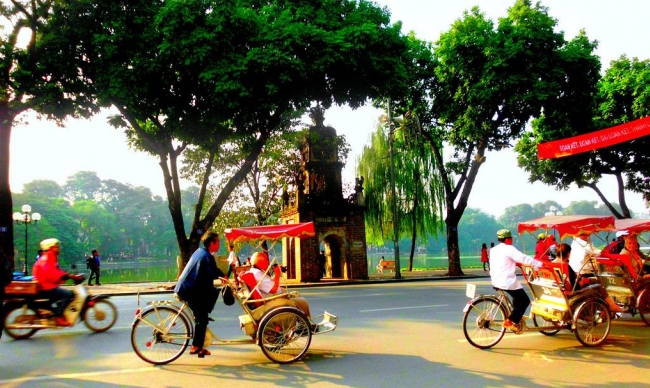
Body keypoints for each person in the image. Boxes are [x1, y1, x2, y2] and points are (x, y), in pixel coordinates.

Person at [174, 231, 225, 357]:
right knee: (202, 318)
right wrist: (224, 279)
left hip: (187, 287)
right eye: (218, 241)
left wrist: (223, 277)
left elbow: (213, 271)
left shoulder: (201, 252)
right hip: (189, 290)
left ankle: (200, 346)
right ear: (212, 243)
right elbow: (212, 273)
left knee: (202, 315)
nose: (219, 243)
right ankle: (195, 346)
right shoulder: (206, 256)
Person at [489, 229, 543, 331]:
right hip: (507, 281)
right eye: (511, 238)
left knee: (516, 296)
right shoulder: (509, 249)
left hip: (496, 279)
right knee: (525, 301)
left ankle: (517, 315)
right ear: (508, 239)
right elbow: (523, 258)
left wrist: (515, 263)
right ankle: (510, 320)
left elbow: (503, 261)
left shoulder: (494, 250)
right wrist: (539, 264)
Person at [553, 243, 624, 312]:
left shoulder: (551, 264)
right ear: (568, 254)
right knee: (599, 285)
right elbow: (575, 286)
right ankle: (611, 305)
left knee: (593, 280)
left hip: (558, 290)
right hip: (573, 291)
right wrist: (583, 282)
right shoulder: (565, 267)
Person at [32, 238, 84, 327]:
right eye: (57, 246)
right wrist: (69, 276)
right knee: (69, 295)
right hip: (46, 287)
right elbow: (51, 273)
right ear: (52, 248)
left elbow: (57, 271)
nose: (59, 248)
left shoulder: (51, 257)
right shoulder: (47, 258)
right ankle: (58, 316)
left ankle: (56, 311)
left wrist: (68, 275)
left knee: (64, 294)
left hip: (48, 285)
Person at [244, 251, 311, 317]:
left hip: (273, 298)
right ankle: (305, 324)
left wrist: (276, 273)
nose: (268, 263)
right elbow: (274, 289)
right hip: (273, 301)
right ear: (260, 262)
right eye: (266, 261)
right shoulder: (257, 274)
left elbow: (269, 283)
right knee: (303, 302)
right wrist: (278, 274)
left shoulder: (255, 272)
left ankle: (302, 323)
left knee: (296, 295)